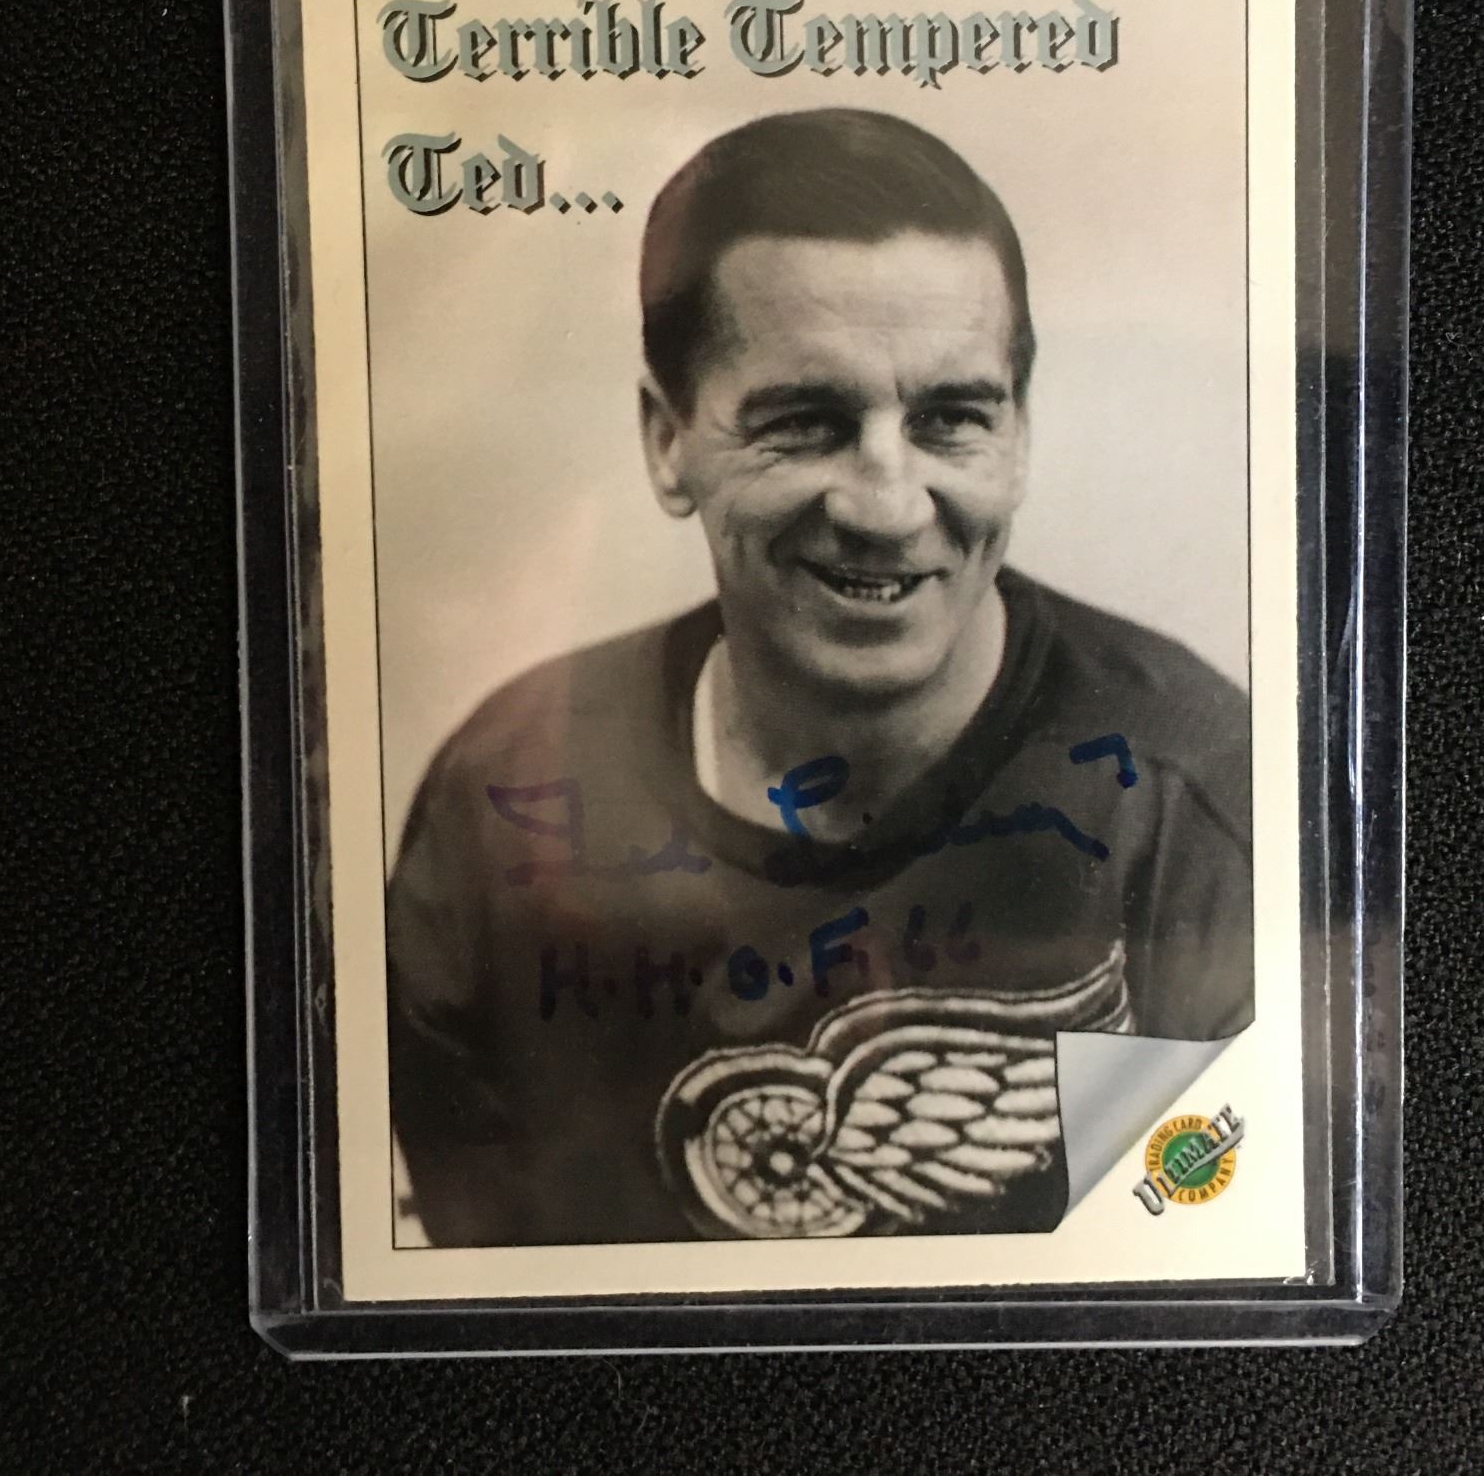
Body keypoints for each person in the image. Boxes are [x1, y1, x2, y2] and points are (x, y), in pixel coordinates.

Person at [387, 108, 1251, 1247]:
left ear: (1020, 435)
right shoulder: (499, 805)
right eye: (806, 422)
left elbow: (1200, 1276)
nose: (887, 506)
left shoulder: (1196, 811)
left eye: (952, 419)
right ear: (666, 440)